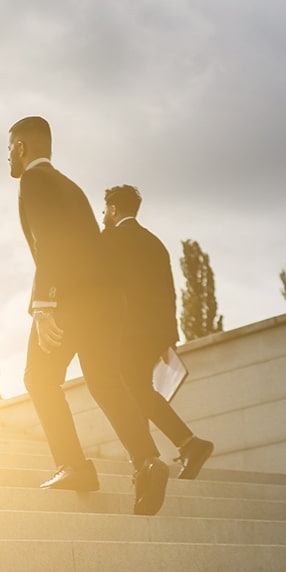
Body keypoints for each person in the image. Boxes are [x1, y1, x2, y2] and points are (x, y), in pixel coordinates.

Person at [9, 116, 170, 515]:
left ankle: (74, 466)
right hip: (108, 300)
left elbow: (51, 243)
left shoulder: (33, 182)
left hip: (70, 298)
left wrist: (43, 306)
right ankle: (147, 461)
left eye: (9, 148)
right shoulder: (72, 186)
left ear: (21, 147)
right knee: (104, 381)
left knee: (39, 377)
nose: (7, 157)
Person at [101, 184, 213, 479]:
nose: (102, 215)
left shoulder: (110, 240)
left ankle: (180, 447)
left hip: (126, 333)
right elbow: (168, 293)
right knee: (137, 391)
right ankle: (151, 458)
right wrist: (168, 338)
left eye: (104, 210)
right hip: (154, 334)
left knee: (133, 390)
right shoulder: (154, 243)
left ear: (113, 209)